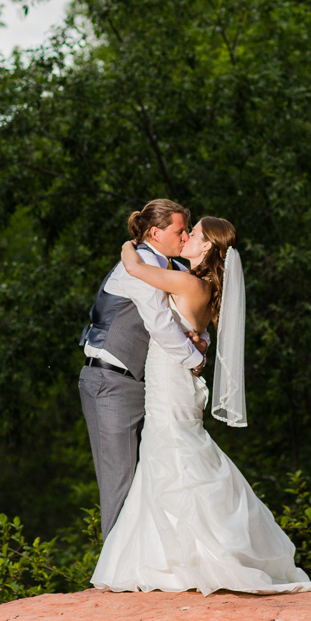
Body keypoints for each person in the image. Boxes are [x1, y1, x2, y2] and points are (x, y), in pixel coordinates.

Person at [91, 216, 311, 594]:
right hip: (178, 381)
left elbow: (134, 267)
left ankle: (185, 559)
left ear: (207, 248)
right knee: (170, 454)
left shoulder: (188, 282)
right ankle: (167, 556)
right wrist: (197, 344)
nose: (187, 236)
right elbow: (198, 332)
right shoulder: (204, 287)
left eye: (195, 234)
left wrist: (132, 240)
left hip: (171, 381)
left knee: (171, 453)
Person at [79, 199, 209, 538]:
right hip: (110, 381)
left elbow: (192, 311)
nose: (185, 238)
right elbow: (162, 323)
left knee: (152, 476)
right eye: (180, 231)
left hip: (148, 387)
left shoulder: (171, 270)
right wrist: (196, 360)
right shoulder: (133, 268)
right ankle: (115, 574)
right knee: (119, 478)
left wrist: (201, 339)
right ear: (155, 232)